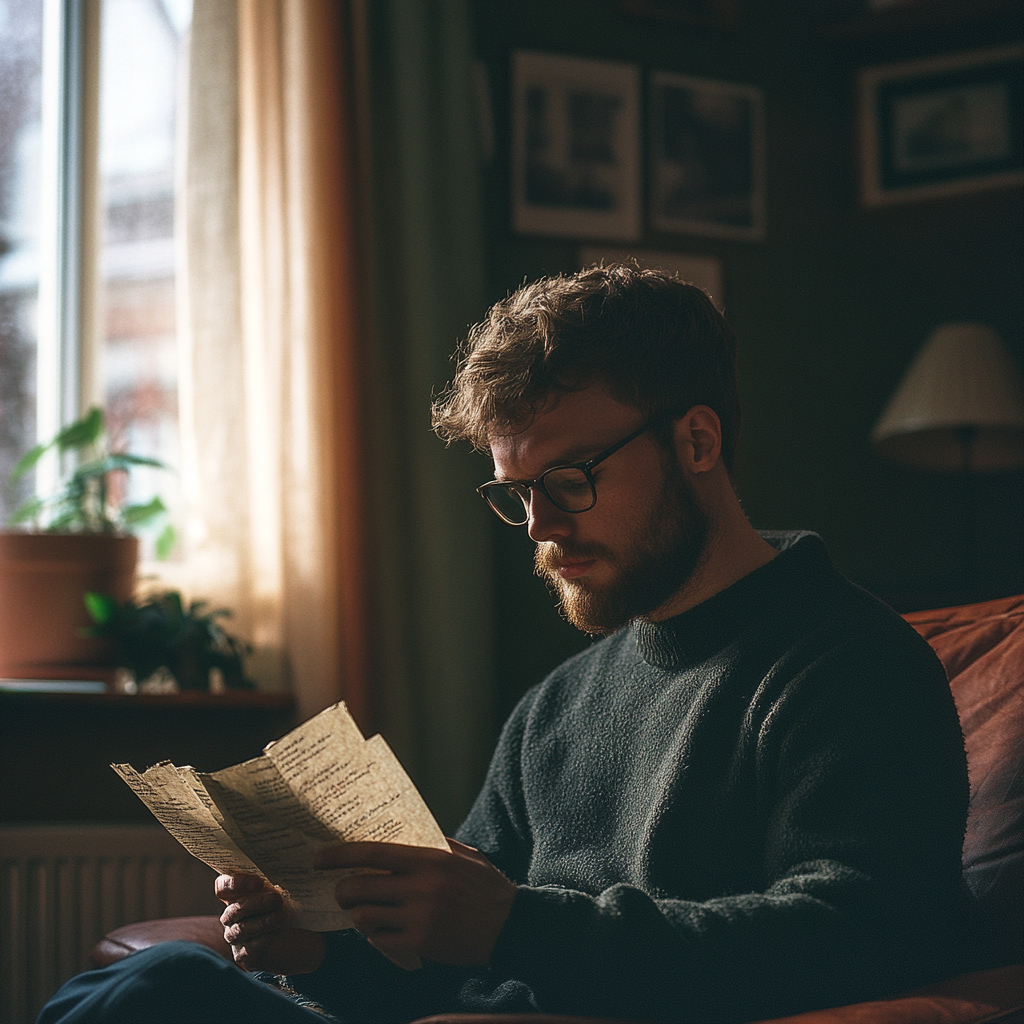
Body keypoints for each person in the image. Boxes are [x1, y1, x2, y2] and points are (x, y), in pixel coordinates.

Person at [38, 265, 970, 1024]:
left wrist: (515, 928)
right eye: (515, 493)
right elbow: (448, 962)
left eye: (568, 479)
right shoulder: (559, 705)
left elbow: (859, 934)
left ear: (696, 441)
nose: (538, 527)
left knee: (160, 995)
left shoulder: (850, 665)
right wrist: (319, 955)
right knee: (129, 987)